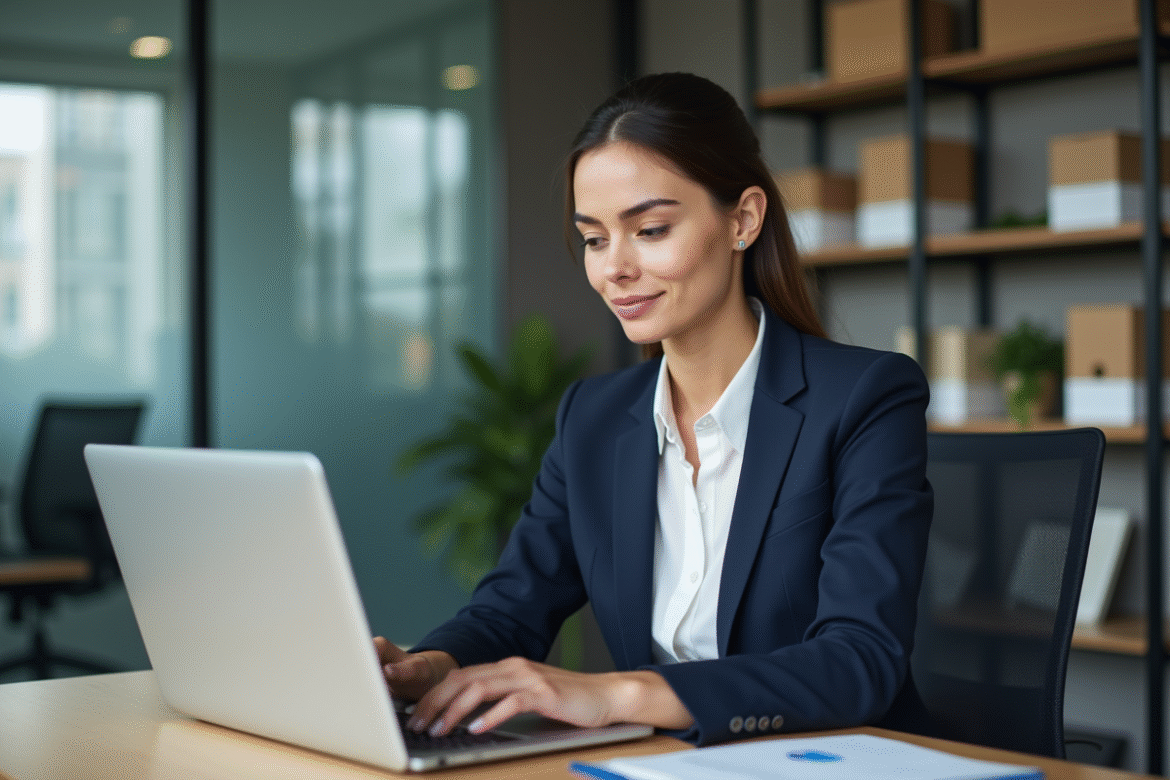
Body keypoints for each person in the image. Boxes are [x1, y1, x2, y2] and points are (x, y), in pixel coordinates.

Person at [375, 71, 932, 746]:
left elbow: (859, 660)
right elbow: (510, 611)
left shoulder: (866, 397)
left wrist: (616, 693)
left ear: (743, 220)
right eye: (594, 238)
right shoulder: (594, 418)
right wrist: (432, 666)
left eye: (651, 228)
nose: (614, 267)